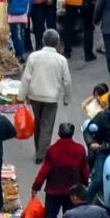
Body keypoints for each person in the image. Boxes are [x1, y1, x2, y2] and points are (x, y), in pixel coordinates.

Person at [32, 121, 90, 218]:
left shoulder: (52, 150)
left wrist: (36, 187)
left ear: (59, 133)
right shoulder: (80, 149)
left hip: (54, 189)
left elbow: (44, 170)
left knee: (51, 214)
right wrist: (86, 186)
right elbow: (85, 170)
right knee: (70, 215)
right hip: (73, 191)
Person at [19, 29, 72, 163]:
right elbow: (67, 81)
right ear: (57, 42)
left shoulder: (34, 56)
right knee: (47, 125)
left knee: (38, 123)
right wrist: (67, 98)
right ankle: (41, 154)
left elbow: (26, 77)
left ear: (43, 41)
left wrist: (21, 96)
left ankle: (39, 149)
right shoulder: (61, 60)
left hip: (34, 96)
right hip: (51, 98)